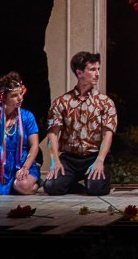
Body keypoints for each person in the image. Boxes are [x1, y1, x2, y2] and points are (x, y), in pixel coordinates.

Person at [43, 52, 117, 196]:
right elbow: (53, 134)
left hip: (94, 156)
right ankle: (77, 186)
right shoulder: (61, 102)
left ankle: (94, 182)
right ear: (79, 73)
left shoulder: (105, 103)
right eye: (92, 69)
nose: (97, 74)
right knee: (51, 186)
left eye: (98, 69)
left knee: (96, 189)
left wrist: (100, 160)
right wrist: (55, 161)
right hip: (70, 158)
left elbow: (107, 135)